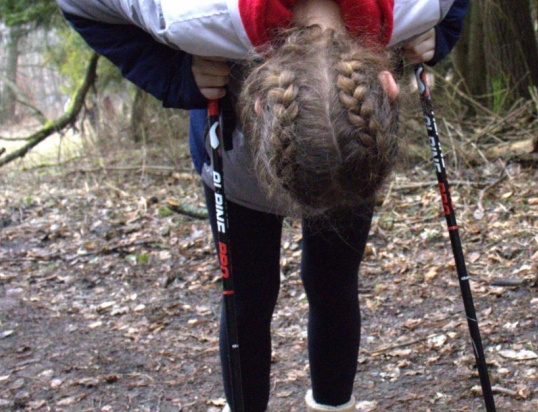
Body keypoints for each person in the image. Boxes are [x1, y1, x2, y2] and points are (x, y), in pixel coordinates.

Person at [55, 1, 468, 411]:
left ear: (386, 84)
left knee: (333, 282)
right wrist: (176, 75)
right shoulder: (193, 14)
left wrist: (437, 33)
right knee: (249, 299)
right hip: (237, 154)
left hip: (348, 134)